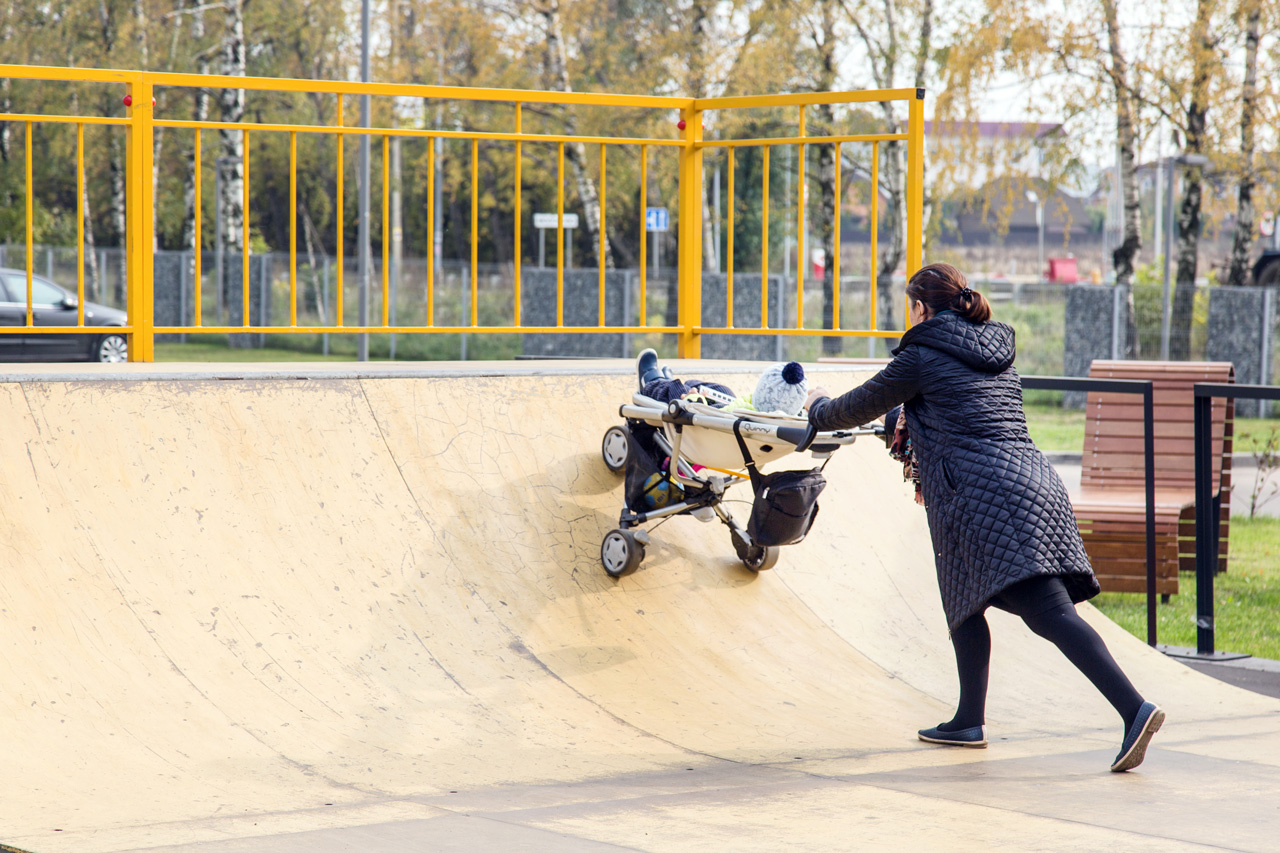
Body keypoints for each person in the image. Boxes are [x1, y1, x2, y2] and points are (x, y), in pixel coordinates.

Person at [803, 262, 1164, 773]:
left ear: (922, 308)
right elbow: (944, 412)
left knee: (1048, 611)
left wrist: (817, 407)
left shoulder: (922, 353)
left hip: (983, 494)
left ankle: (1135, 709)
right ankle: (968, 719)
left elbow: (854, 407)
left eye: (910, 307)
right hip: (1030, 480)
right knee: (965, 598)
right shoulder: (991, 350)